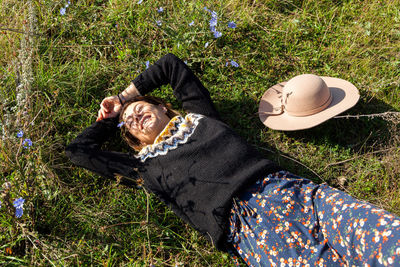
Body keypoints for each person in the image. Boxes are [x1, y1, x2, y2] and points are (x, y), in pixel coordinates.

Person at [66, 53, 400, 266]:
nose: (136, 117)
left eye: (142, 109)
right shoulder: (145, 168)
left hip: (289, 191)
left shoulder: (201, 118)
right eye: (131, 125)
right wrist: (111, 120)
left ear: (163, 107)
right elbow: (78, 152)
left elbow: (170, 65)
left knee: (386, 236)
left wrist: (124, 97)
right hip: (252, 231)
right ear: (135, 142)